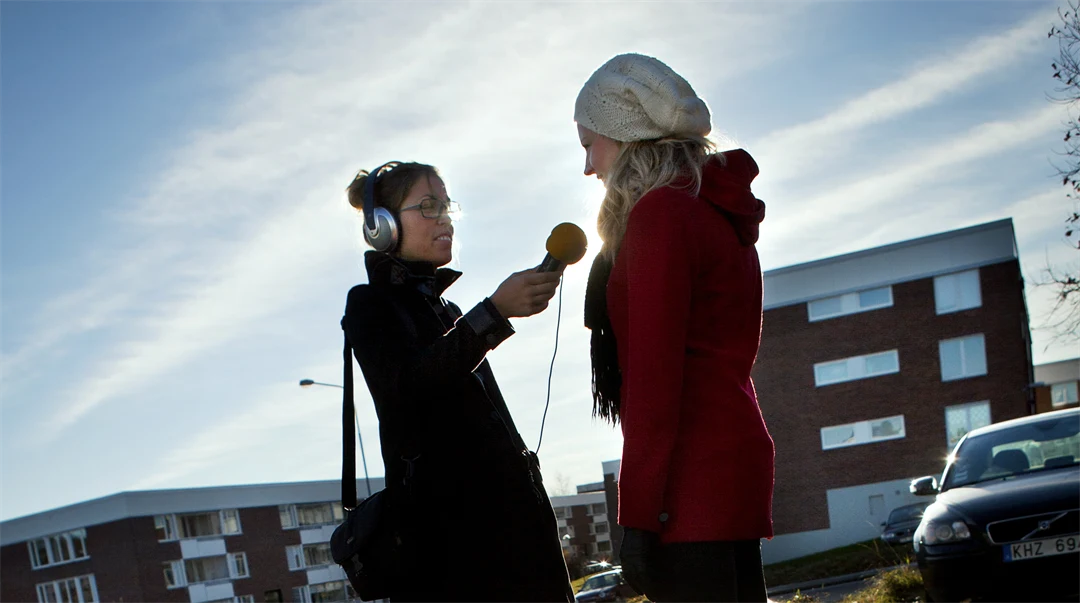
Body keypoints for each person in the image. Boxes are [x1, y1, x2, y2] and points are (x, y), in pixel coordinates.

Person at [575, 53, 776, 603]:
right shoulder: (716, 209)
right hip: (732, 460)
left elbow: (654, 381)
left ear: (625, 135)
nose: (588, 167)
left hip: (688, 482)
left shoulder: (660, 216)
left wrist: (639, 515)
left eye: (590, 145)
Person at [341, 161, 573, 603]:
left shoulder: (447, 312)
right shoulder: (368, 304)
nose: (444, 218)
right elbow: (405, 387)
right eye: (428, 206)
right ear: (382, 227)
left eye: (447, 206)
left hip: (516, 534)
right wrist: (494, 313)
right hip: (453, 552)